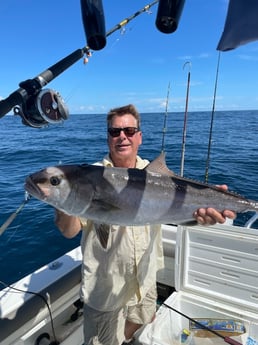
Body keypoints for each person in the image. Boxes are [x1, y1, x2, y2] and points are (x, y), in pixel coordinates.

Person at [55, 104, 235, 345]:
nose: (122, 137)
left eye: (129, 131)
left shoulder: (158, 176)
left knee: (141, 321)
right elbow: (69, 231)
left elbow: (182, 213)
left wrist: (204, 214)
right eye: (115, 132)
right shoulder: (91, 179)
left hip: (146, 281)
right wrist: (63, 198)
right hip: (107, 290)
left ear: (139, 136)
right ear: (108, 137)